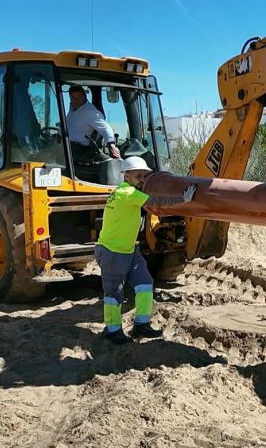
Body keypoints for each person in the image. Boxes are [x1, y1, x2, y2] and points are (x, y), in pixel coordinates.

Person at [95, 156, 195, 344]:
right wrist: (183, 199)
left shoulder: (126, 193)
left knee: (145, 283)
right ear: (126, 175)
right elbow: (156, 202)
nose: (142, 179)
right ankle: (112, 330)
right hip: (112, 251)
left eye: (144, 176)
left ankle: (141, 325)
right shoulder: (127, 193)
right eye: (138, 176)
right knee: (114, 293)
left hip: (129, 250)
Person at [65, 84, 121, 160]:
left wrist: (111, 145)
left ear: (84, 97)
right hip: (66, 147)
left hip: (78, 152)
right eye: (73, 98)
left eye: (78, 98)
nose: (75, 101)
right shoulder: (72, 109)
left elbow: (106, 128)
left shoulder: (90, 112)